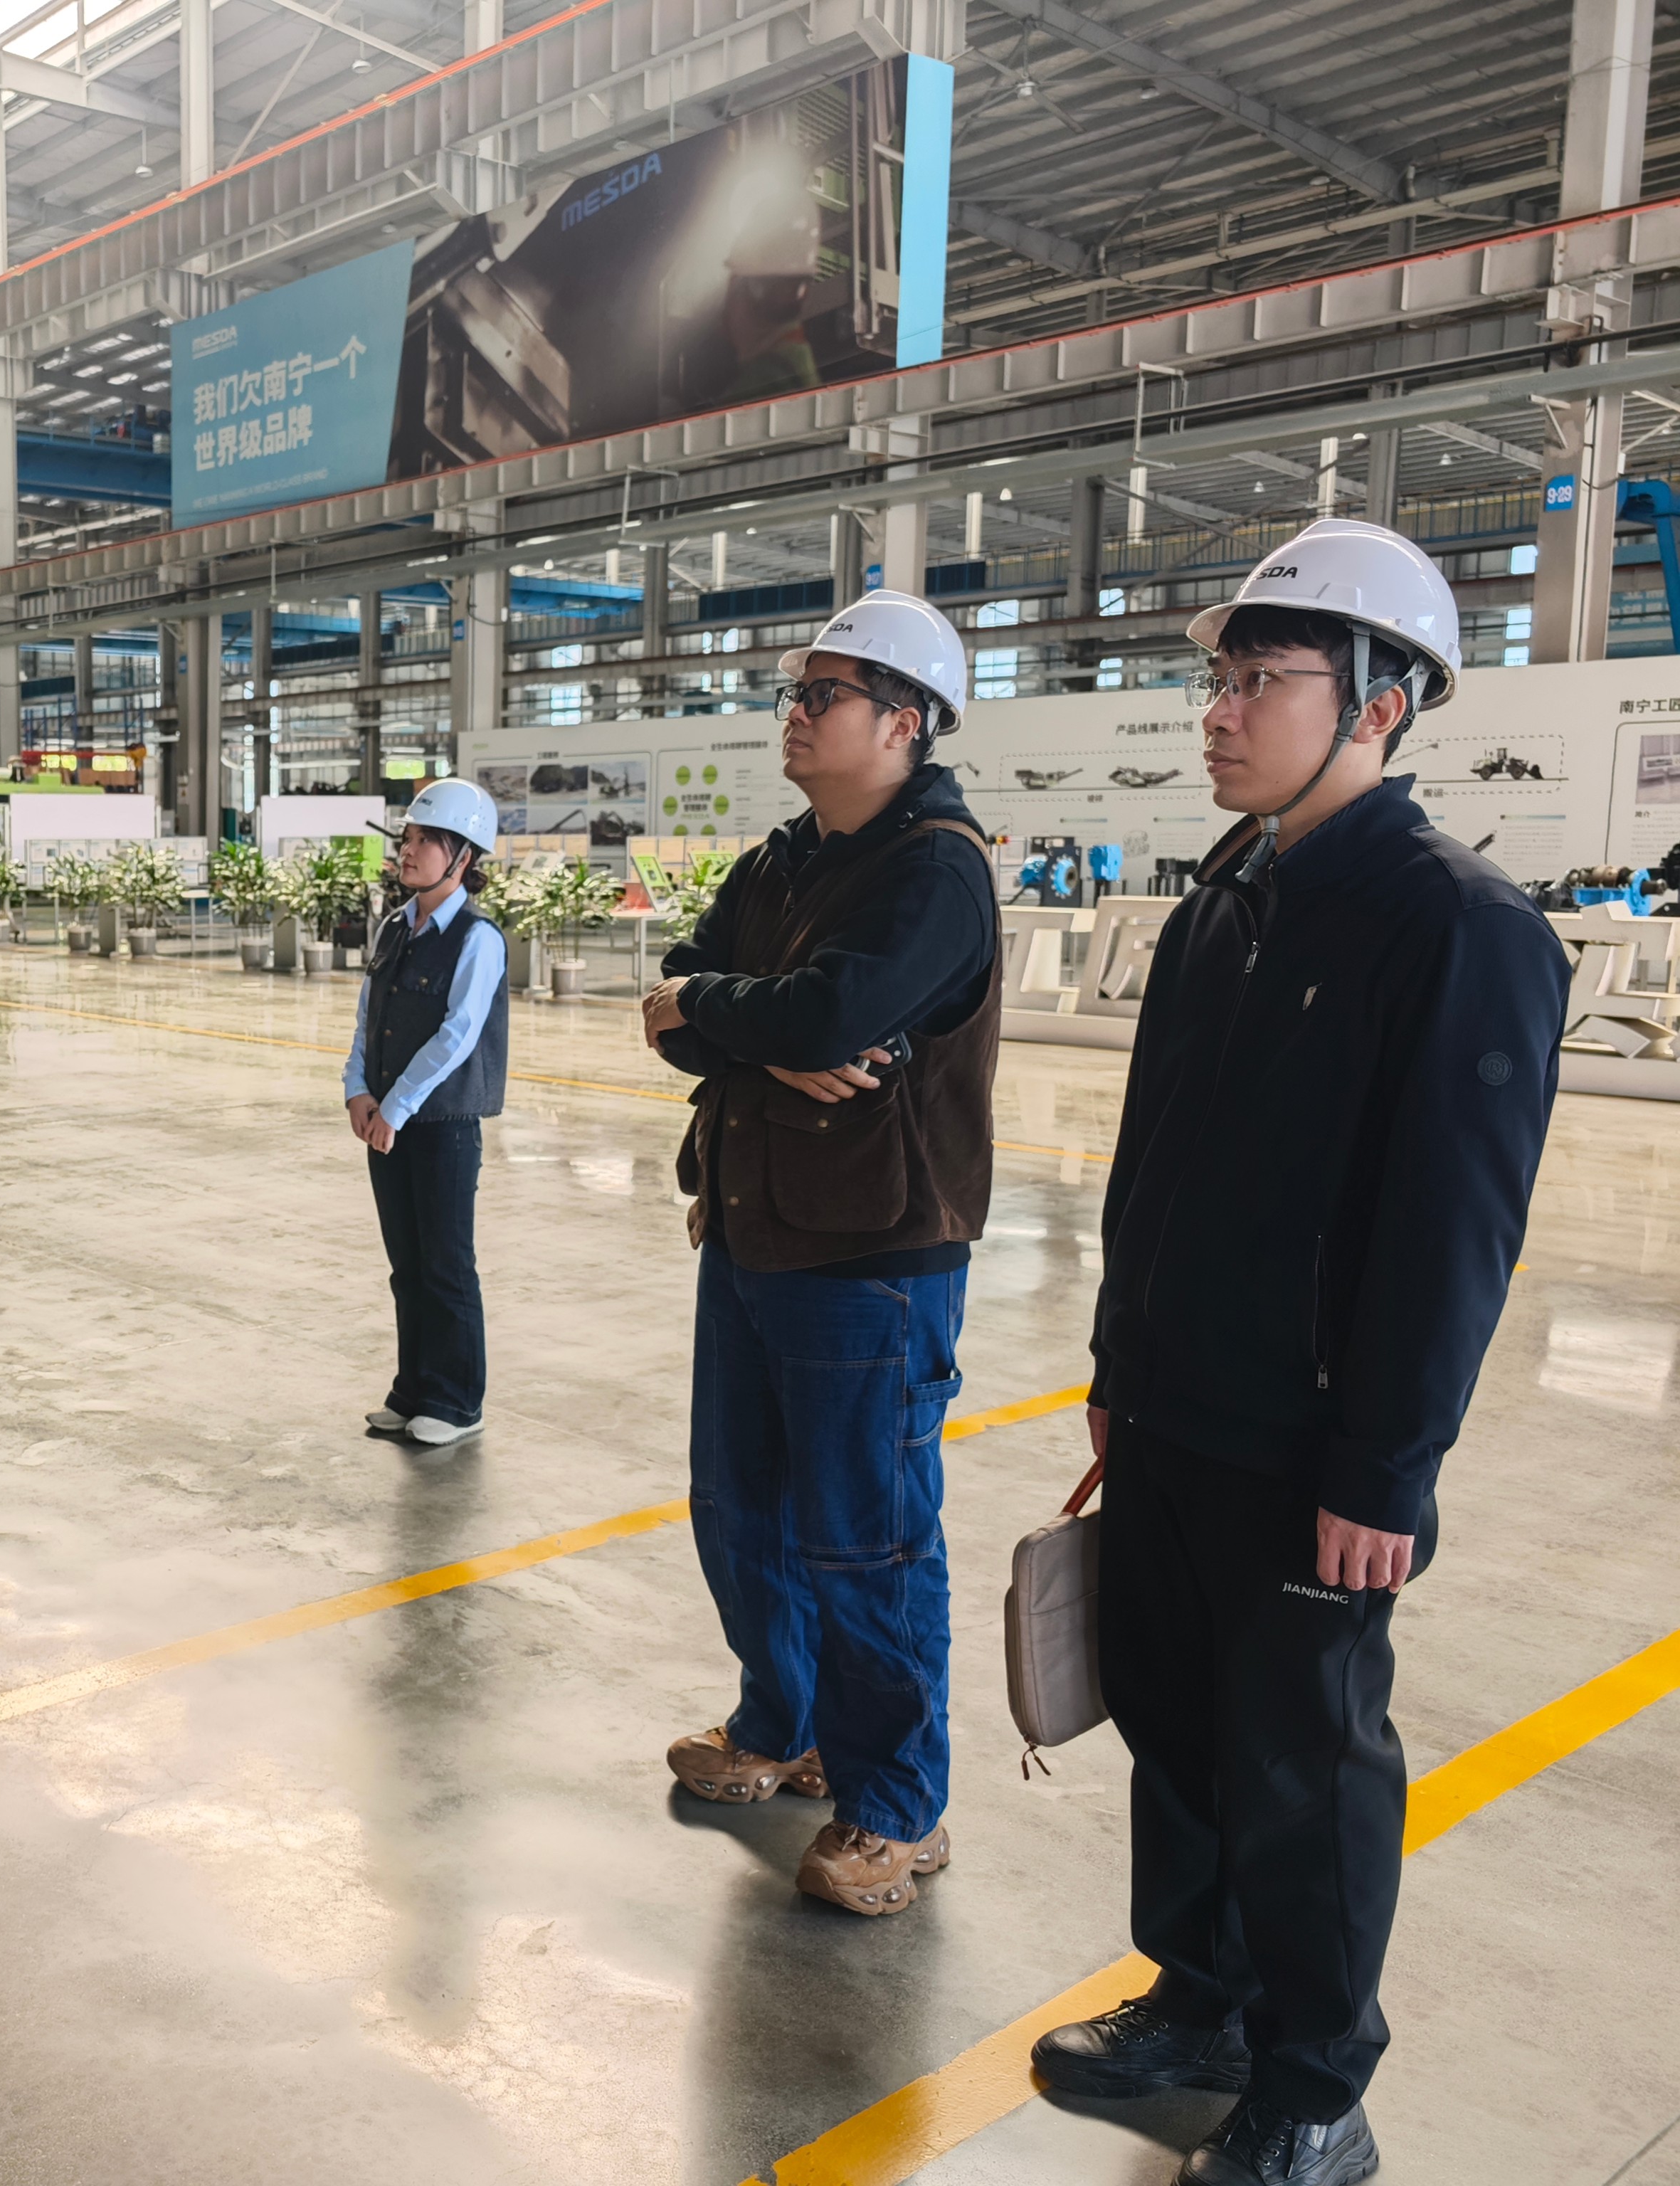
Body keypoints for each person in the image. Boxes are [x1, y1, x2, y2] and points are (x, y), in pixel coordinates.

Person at [1032, 521, 1567, 2186]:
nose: (1217, 712)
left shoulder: (1455, 924)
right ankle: (1200, 2004)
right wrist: (1115, 1370)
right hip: (1172, 1412)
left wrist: (1384, 1467)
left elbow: (1450, 1231)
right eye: (1217, 680)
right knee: (1177, 1729)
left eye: (1259, 681)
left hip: (1308, 1447)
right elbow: (1149, 1163)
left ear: (1380, 706)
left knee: (1302, 1768)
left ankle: (1317, 2087)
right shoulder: (1223, 900)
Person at [641, 588, 998, 1919]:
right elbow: (677, 1002)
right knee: (740, 1507)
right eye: (794, 693)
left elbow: (821, 1009)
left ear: (904, 722)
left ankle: (898, 1804)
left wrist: (723, 1011)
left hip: (873, 1260)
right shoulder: (782, 860)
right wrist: (751, 1024)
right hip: (752, 1230)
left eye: (823, 695)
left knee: (868, 1541)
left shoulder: (936, 869)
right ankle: (782, 1728)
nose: (794, 714)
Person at [344, 779, 509, 1449]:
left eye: (424, 841)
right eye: (407, 838)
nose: (407, 851)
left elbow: (457, 1034)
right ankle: (413, 1391)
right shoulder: (394, 925)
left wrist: (398, 1104)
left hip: (440, 1126)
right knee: (406, 1263)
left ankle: (457, 1401)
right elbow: (369, 1014)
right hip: (385, 1117)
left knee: (445, 1265)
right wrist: (357, 1088)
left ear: (463, 858)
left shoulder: (478, 938)